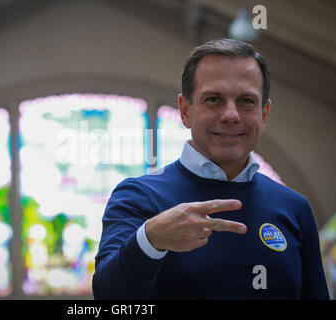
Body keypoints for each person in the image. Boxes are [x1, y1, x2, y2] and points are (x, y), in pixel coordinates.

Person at [92, 38, 329, 299]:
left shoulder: (294, 208)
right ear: (185, 111)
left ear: (264, 114)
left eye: (246, 101)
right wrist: (150, 240)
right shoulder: (138, 196)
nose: (231, 114)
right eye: (213, 99)